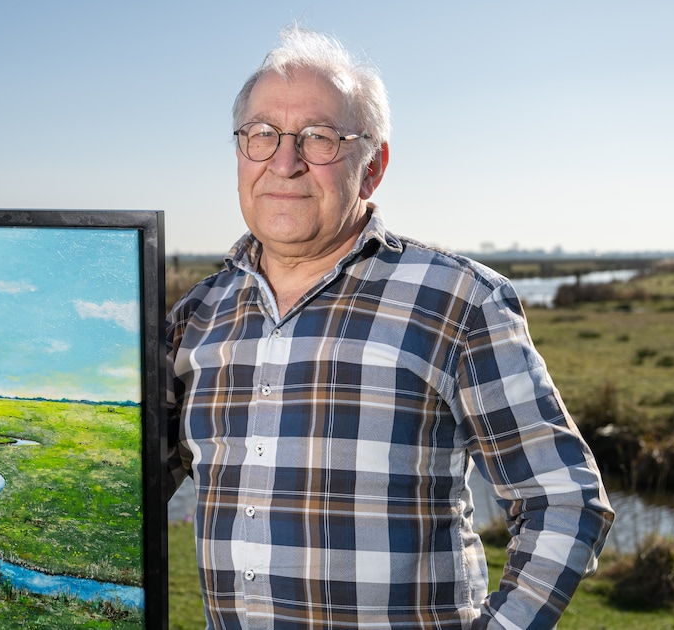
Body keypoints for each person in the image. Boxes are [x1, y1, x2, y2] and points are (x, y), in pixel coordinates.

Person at [165, 25, 614, 629]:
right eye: (262, 136)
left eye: (319, 138)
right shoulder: (195, 318)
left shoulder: (458, 298)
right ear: (240, 152)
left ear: (371, 167)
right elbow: (124, 490)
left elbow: (563, 499)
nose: (285, 162)